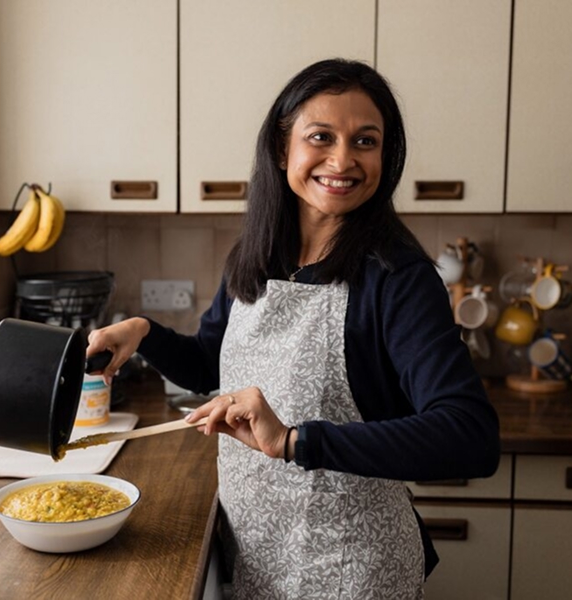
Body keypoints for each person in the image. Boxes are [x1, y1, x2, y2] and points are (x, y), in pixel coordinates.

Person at [85, 58, 500, 599]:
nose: (343, 159)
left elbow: (470, 435)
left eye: (365, 141)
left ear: (386, 156)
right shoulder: (257, 253)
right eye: (321, 136)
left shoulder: (397, 277)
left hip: (352, 571)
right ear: (283, 150)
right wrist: (143, 333)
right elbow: (215, 359)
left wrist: (293, 441)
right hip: (260, 556)